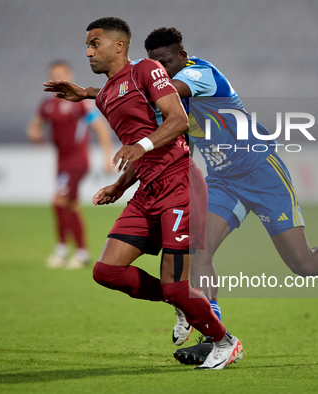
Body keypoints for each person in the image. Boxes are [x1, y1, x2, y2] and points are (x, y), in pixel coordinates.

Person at [46, 26, 318, 364]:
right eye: (155, 61)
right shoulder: (157, 80)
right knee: (199, 251)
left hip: (262, 172)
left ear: (182, 55)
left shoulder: (200, 73)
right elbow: (140, 88)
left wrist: (109, 89)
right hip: (222, 180)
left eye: (167, 61)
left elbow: (158, 87)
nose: (160, 67)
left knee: (302, 264)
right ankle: (210, 334)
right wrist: (92, 92)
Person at [45, 17, 242, 370]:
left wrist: (143, 145)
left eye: (95, 44)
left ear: (119, 46)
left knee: (177, 285)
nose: (88, 52)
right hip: (147, 190)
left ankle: (225, 341)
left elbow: (177, 120)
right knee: (107, 271)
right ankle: (181, 305)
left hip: (179, 182)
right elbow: (124, 112)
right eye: (87, 45)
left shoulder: (148, 69)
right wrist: (119, 186)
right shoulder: (105, 95)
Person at [28, 60, 114, 269]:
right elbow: (35, 127)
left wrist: (107, 158)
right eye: (54, 76)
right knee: (66, 203)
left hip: (77, 161)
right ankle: (72, 252)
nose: (59, 79)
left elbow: (101, 128)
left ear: (70, 76)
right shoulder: (47, 105)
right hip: (61, 162)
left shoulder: (81, 103)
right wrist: (35, 133)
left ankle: (72, 251)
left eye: (62, 75)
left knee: (60, 200)